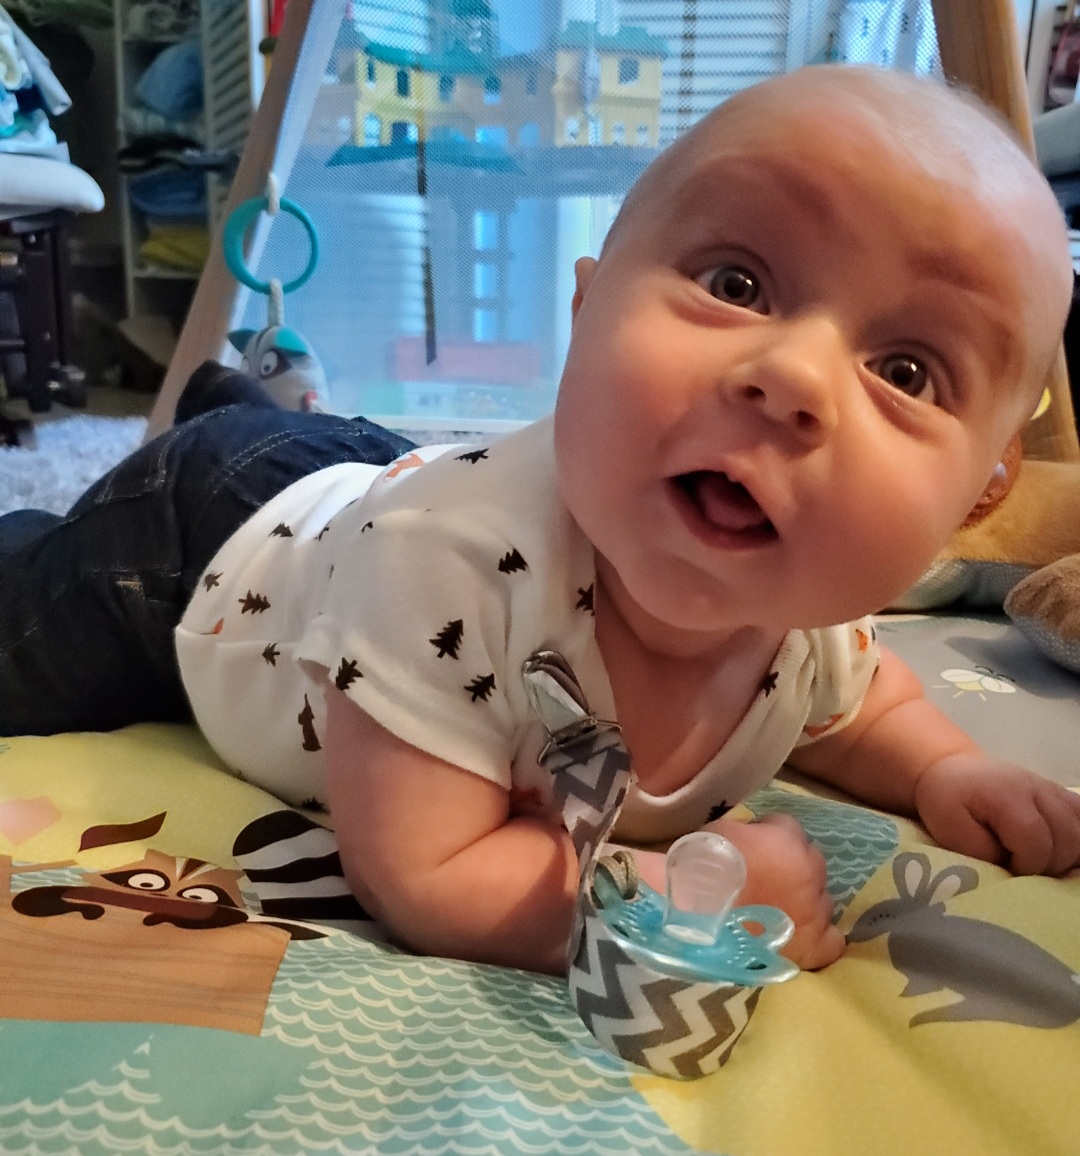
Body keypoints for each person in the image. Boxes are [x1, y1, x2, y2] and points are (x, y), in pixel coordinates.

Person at [2, 65, 1078, 976]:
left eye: (906, 370)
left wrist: (945, 770)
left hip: (376, 478)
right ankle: (210, 433)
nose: (792, 374)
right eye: (737, 282)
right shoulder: (442, 566)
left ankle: (255, 404)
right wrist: (681, 898)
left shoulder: (811, 618)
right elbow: (424, 873)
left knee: (354, 464)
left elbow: (866, 707)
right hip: (202, 546)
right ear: (585, 304)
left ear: (979, 497)